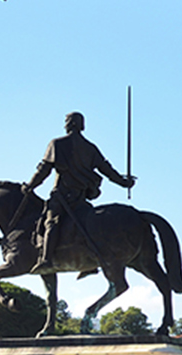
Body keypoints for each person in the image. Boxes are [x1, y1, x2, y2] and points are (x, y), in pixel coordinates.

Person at [27, 111, 135, 269]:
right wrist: (123, 182)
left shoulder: (57, 144)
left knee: (51, 222)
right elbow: (106, 169)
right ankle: (89, 264)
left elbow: (44, 170)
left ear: (69, 124)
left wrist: (29, 186)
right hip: (81, 199)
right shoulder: (90, 148)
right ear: (82, 125)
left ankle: (46, 259)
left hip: (62, 197)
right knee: (87, 225)